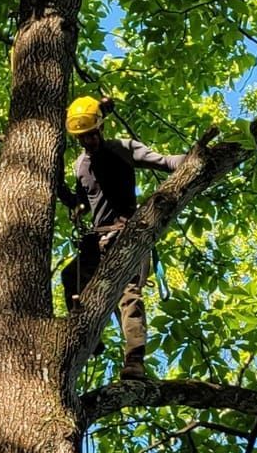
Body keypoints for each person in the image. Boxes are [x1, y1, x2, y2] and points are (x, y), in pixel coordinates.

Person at [60, 94, 185, 379]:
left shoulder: (122, 149)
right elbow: (82, 199)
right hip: (98, 239)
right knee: (71, 277)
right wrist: (72, 202)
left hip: (126, 234)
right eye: (82, 138)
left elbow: (165, 162)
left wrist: (197, 158)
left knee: (128, 296)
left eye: (91, 135)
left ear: (100, 129)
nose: (87, 142)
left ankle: (134, 360)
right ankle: (88, 339)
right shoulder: (81, 166)